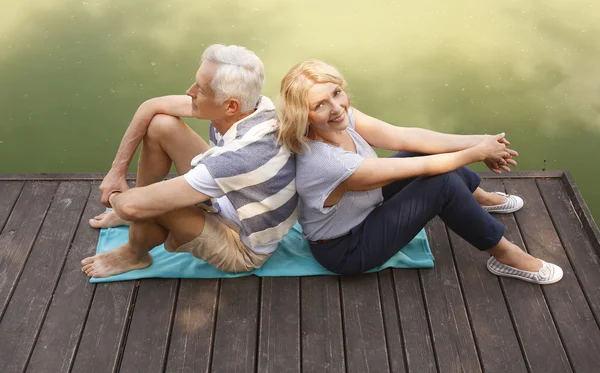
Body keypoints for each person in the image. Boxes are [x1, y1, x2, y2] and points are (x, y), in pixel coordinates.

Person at [277, 60, 562, 284]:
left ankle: (481, 199)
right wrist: (478, 153)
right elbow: (424, 168)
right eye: (319, 105)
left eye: (336, 93)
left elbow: (404, 137)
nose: (336, 107)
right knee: (442, 184)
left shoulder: (339, 118)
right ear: (304, 115)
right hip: (347, 248)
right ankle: (507, 257)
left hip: (365, 209)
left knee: (425, 151)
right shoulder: (328, 163)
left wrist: (482, 140)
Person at [81, 44, 297, 278]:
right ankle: (140, 221)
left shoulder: (238, 159)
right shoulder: (255, 107)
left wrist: (119, 200)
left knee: (146, 204)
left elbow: (132, 205)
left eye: (201, 90)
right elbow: (151, 106)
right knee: (161, 125)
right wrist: (117, 172)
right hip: (229, 197)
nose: (189, 91)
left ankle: (135, 254)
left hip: (242, 247)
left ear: (231, 105)